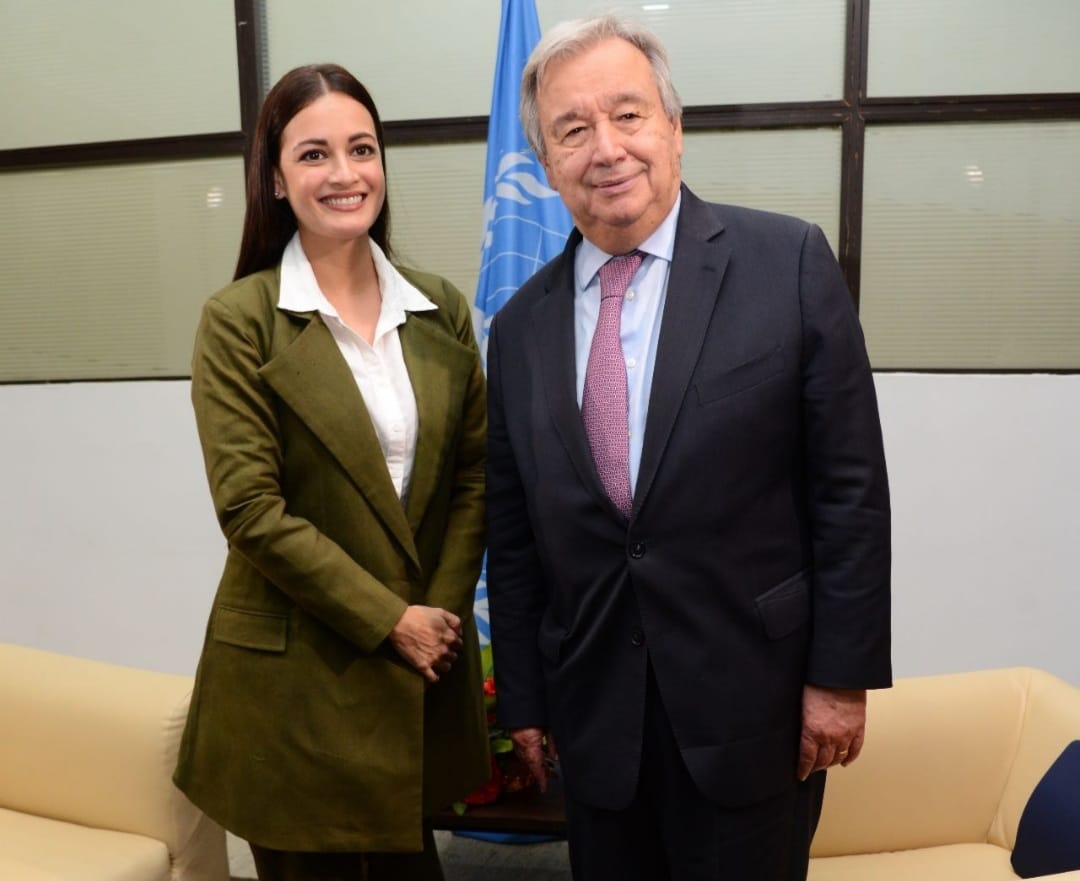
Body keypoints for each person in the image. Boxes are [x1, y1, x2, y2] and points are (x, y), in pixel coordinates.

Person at [486, 15, 891, 881]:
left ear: (674, 126)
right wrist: (521, 695)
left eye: (628, 115)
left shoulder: (787, 262)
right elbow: (514, 529)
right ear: (547, 163)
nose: (606, 149)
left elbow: (849, 491)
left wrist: (840, 678)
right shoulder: (518, 330)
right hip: (596, 724)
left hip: (757, 711)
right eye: (572, 129)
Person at [173, 64, 488, 881]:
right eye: (314, 155)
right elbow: (251, 509)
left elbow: (474, 481)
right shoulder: (239, 321)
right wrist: (391, 618)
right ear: (275, 178)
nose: (345, 174)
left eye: (362, 148)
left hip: (417, 665)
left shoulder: (441, 308)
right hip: (296, 685)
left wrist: (437, 620)